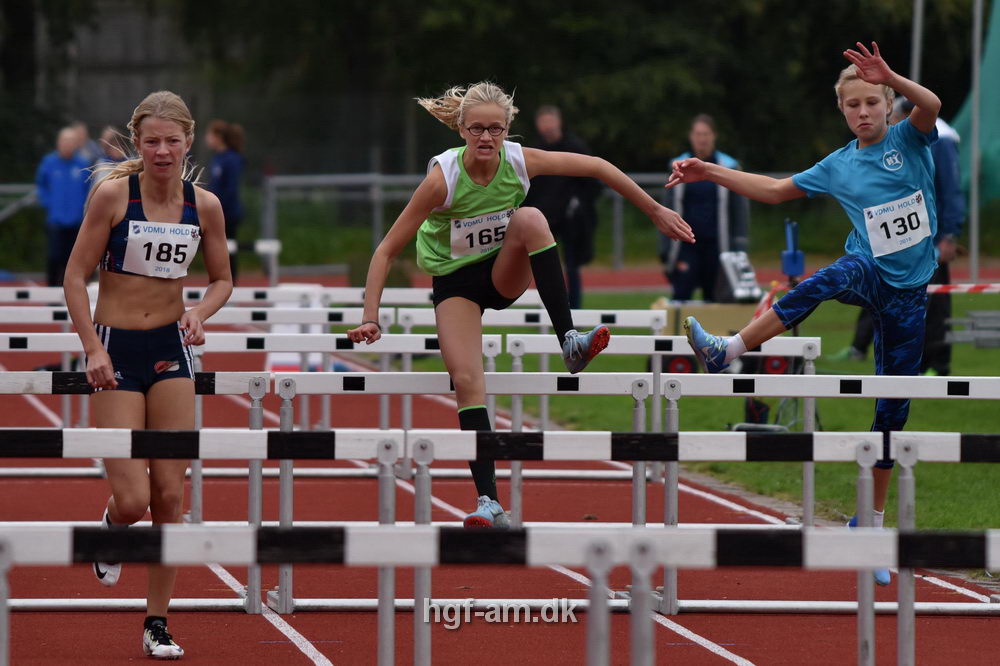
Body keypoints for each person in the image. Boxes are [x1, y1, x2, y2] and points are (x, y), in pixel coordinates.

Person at [348, 82, 693, 528]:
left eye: (496, 128)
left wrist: (654, 211)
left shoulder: (519, 160)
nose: (486, 138)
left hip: (502, 270)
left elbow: (599, 167)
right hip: (456, 283)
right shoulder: (442, 179)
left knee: (530, 217)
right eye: (477, 129)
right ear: (461, 130)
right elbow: (386, 250)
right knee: (468, 381)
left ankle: (569, 339)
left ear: (508, 129)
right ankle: (489, 503)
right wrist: (370, 317)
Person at [671, 43, 941, 586]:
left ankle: (870, 526)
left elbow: (931, 103)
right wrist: (710, 173)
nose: (863, 112)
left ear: (888, 104)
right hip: (868, 269)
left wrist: (891, 75)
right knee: (832, 276)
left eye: (872, 102)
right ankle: (728, 349)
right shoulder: (839, 164)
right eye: (853, 106)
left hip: (911, 294)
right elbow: (774, 190)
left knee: (892, 414)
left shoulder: (910, 138)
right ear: (841, 111)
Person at [63, 91, 233, 659]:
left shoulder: (203, 205)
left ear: (188, 141)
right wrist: (91, 348)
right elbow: (74, 276)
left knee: (169, 494)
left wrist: (198, 312)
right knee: (134, 499)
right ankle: (114, 527)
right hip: (116, 347)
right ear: (139, 143)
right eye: (152, 141)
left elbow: (222, 280)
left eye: (173, 141)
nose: (163, 151)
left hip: (169, 351)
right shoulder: (114, 196)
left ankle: (156, 622)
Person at [837, 97, 965, 374]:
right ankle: (866, 349)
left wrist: (949, 235)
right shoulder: (894, 140)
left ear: (909, 113)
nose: (888, 122)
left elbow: (950, 189)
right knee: (883, 293)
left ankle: (937, 363)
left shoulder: (938, 138)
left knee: (934, 301)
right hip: (894, 237)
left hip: (929, 238)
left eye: (892, 116)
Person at [659, 114, 749, 301]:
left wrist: (740, 244)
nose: (702, 139)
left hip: (717, 245)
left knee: (716, 297)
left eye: (706, 134)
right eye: (698, 134)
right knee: (681, 294)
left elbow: (739, 211)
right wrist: (665, 246)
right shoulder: (678, 166)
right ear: (691, 137)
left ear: (714, 136)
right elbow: (666, 207)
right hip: (686, 244)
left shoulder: (729, 166)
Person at [522, 105, 601, 308]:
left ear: (559, 122)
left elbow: (593, 184)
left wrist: (577, 204)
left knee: (572, 267)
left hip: (571, 222)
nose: (547, 126)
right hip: (543, 219)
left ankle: (575, 311)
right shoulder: (533, 151)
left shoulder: (576, 147)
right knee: (545, 268)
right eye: (543, 122)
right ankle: (548, 309)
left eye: (551, 121)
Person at [35, 127, 90, 286]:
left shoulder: (82, 164)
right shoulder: (49, 162)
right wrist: (48, 203)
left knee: (73, 258)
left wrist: (84, 207)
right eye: (64, 141)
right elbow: (41, 185)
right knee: (54, 256)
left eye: (71, 141)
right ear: (59, 143)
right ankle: (51, 291)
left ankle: (70, 292)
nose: (67, 145)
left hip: (76, 219)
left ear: (76, 144)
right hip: (56, 219)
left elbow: (89, 188)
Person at [205, 120, 246, 283]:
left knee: (228, 250)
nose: (206, 138)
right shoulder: (217, 159)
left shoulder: (232, 159)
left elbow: (230, 189)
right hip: (213, 211)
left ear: (218, 137)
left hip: (227, 213)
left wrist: (218, 209)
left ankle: (230, 284)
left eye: (209, 134)